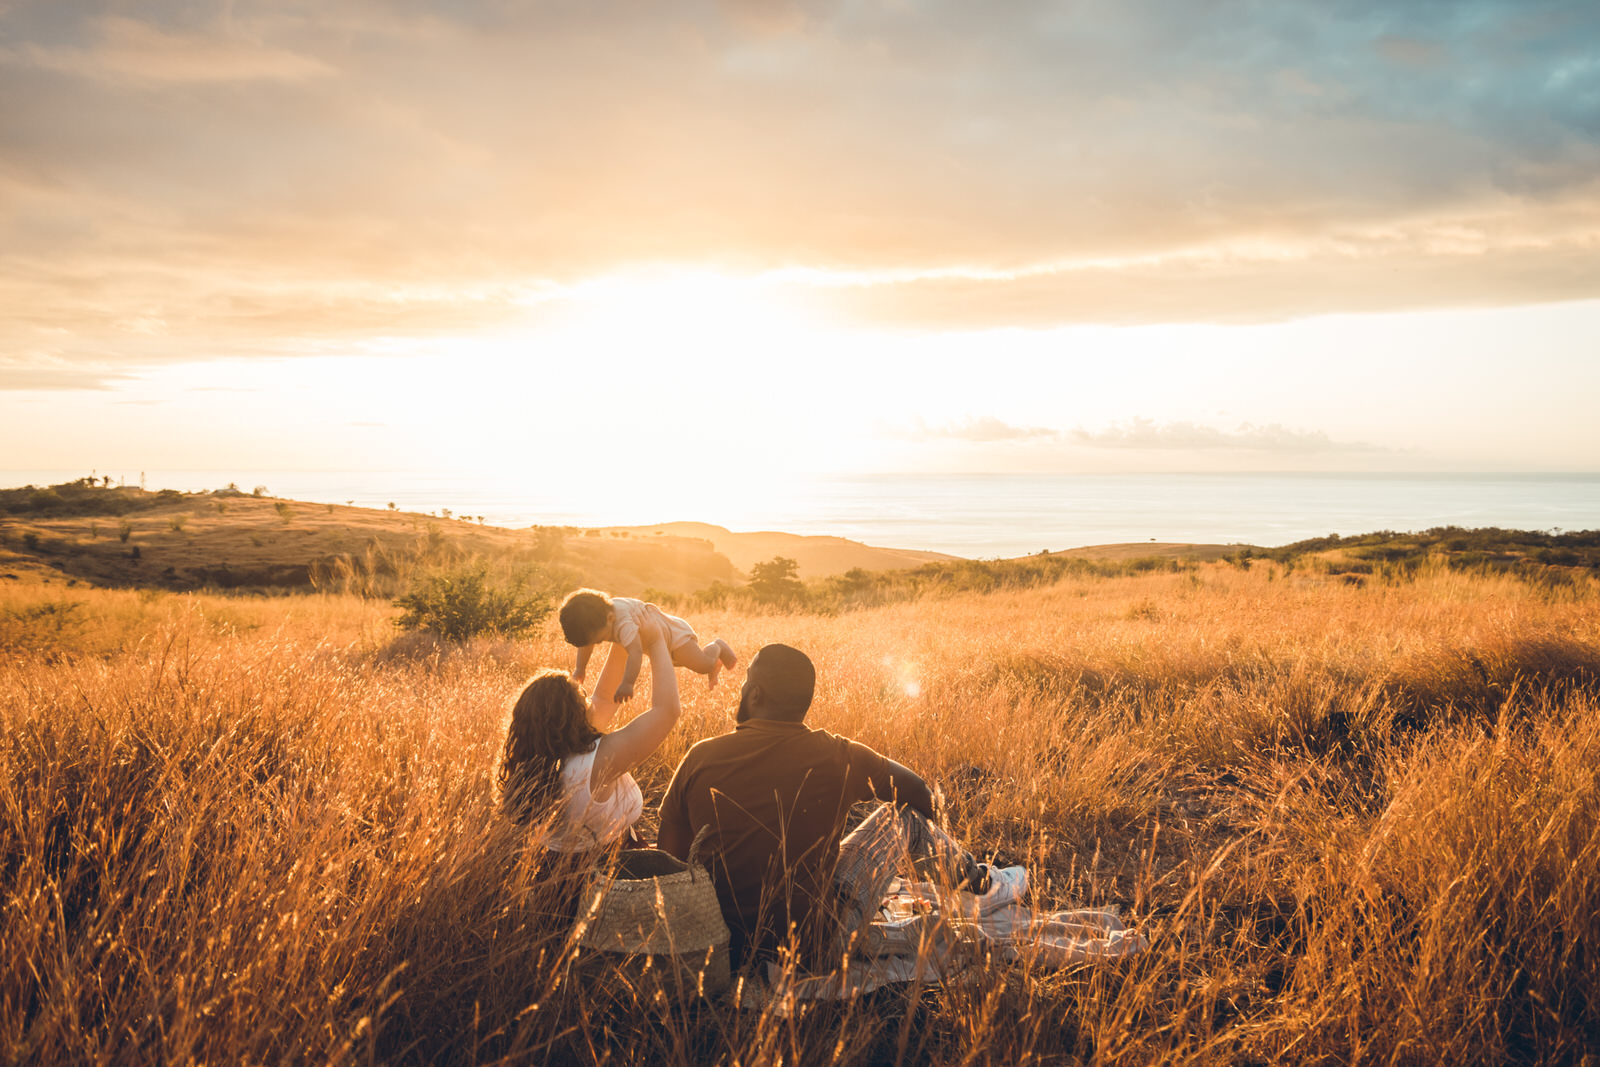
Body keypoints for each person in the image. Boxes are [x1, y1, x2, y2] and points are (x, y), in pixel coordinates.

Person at [657, 643, 1017, 972]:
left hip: (720, 947)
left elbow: (667, 862)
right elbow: (918, 792)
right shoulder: (837, 755)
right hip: (814, 949)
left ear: (755, 693)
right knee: (900, 817)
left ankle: (977, 883)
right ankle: (978, 882)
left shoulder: (699, 757)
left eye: (746, 680)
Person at [500, 629, 681, 863]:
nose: (590, 700)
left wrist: (624, 637)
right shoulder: (601, 759)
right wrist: (657, 642)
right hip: (611, 870)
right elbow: (667, 711)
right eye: (583, 697)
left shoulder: (539, 761)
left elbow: (605, 698)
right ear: (571, 715)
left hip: (552, 870)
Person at [559, 588, 737, 705]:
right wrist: (580, 669)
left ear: (610, 619)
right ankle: (714, 664)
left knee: (702, 666)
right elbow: (586, 644)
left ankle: (717, 646)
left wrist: (628, 683)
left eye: (599, 640)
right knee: (672, 663)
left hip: (674, 635)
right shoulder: (598, 615)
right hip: (657, 641)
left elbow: (635, 653)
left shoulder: (623, 624)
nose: (597, 644)